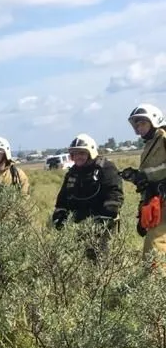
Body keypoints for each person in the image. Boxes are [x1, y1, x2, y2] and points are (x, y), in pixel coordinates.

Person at [51, 134, 124, 261]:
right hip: (78, 226)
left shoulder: (106, 168)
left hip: (103, 225)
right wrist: (60, 215)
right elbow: (63, 198)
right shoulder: (72, 172)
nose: (78, 157)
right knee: (80, 262)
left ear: (90, 152)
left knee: (104, 261)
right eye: (74, 153)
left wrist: (105, 217)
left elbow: (115, 193)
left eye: (81, 153)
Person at [120, 104, 166, 263]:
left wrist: (159, 185)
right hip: (157, 203)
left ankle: (155, 284)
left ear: (154, 120)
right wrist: (138, 177)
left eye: (142, 123)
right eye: (137, 124)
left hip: (163, 202)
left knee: (153, 248)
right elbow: (151, 178)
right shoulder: (150, 145)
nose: (139, 128)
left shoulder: (163, 138)